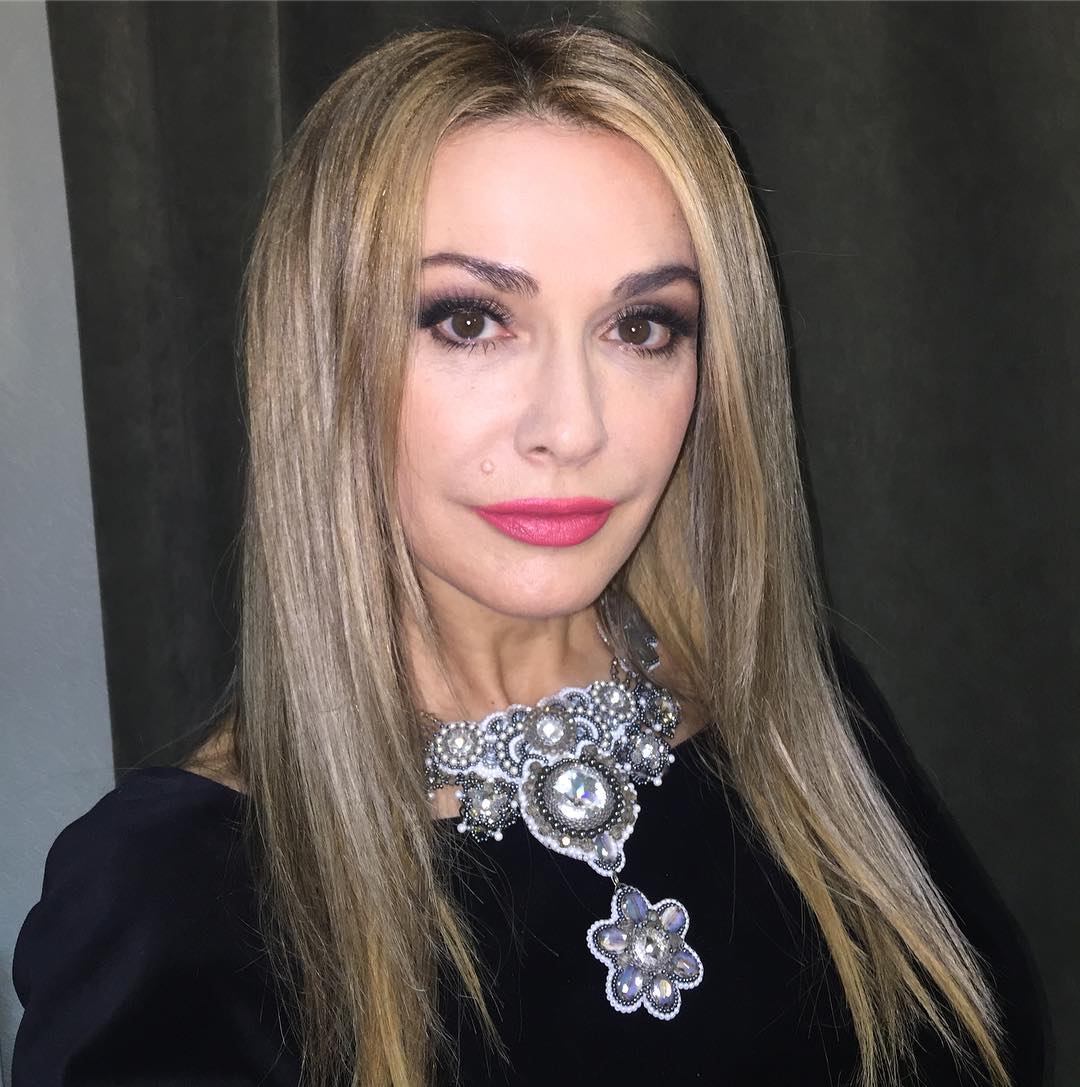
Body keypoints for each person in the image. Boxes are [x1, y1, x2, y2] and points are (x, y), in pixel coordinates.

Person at [11, 21, 1044, 1087]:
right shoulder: (173, 903)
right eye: (470, 321)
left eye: (641, 327)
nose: (573, 428)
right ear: (322, 359)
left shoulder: (796, 721)